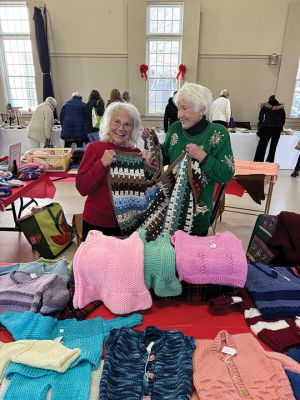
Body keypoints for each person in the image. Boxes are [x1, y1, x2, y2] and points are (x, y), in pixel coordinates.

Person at [143, 82, 235, 236]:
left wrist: (203, 157)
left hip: (197, 217)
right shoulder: (175, 129)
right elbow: (163, 159)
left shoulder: (218, 133)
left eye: (184, 108)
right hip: (168, 212)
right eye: (179, 108)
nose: (179, 114)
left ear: (202, 109)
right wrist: (151, 146)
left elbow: (226, 173)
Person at [76, 102, 142, 240]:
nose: (121, 128)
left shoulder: (137, 154)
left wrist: (149, 166)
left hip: (127, 226)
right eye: (116, 122)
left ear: (133, 129)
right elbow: (82, 187)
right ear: (108, 123)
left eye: (127, 124)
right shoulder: (94, 148)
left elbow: (142, 194)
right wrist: (101, 164)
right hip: (96, 224)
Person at [254, 95, 286, 162]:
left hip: (267, 127)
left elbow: (260, 117)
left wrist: (261, 125)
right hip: (277, 128)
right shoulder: (281, 108)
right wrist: (280, 126)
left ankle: (258, 162)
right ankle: (270, 162)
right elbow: (283, 119)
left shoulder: (265, 106)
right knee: (273, 147)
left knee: (262, 146)